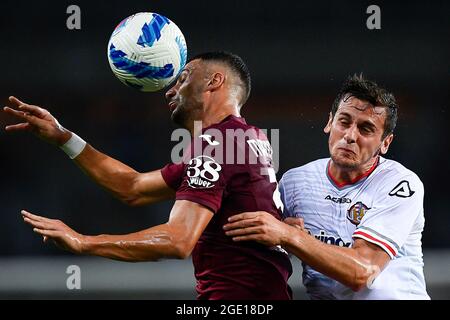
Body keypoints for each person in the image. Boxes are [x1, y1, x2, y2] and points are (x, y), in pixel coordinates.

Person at [3, 51, 292, 300]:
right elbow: (133, 187)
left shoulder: (217, 142)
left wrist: (84, 242)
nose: (169, 90)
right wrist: (64, 138)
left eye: (183, 78)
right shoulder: (247, 138)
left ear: (214, 81)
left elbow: (178, 240)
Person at [224, 74, 430, 299]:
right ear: (330, 122)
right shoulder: (294, 183)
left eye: (366, 129)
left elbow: (363, 272)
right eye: (344, 121)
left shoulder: (399, 183)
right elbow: (267, 246)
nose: (350, 136)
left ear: (385, 143)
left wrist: (291, 237)